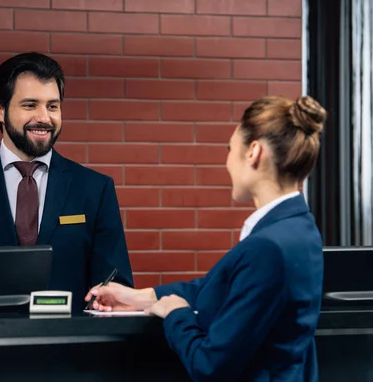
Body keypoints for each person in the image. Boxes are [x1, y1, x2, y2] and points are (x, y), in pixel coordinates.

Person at [85, 95, 327, 381]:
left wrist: (177, 314)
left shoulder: (267, 247)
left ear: (253, 152)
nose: (227, 163)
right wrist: (142, 297)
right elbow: (224, 289)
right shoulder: (300, 227)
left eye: (229, 150)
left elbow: (210, 366)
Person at [0, 52, 133, 311]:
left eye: (52, 106)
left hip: (69, 345)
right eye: (30, 105)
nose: (44, 117)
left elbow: (116, 286)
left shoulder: (95, 188)